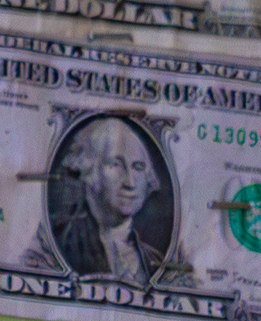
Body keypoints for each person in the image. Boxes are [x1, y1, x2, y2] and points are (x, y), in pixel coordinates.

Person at [43, 112, 175, 280]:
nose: (130, 183)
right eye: (116, 165)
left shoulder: (155, 260)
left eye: (138, 167)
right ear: (89, 170)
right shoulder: (60, 245)